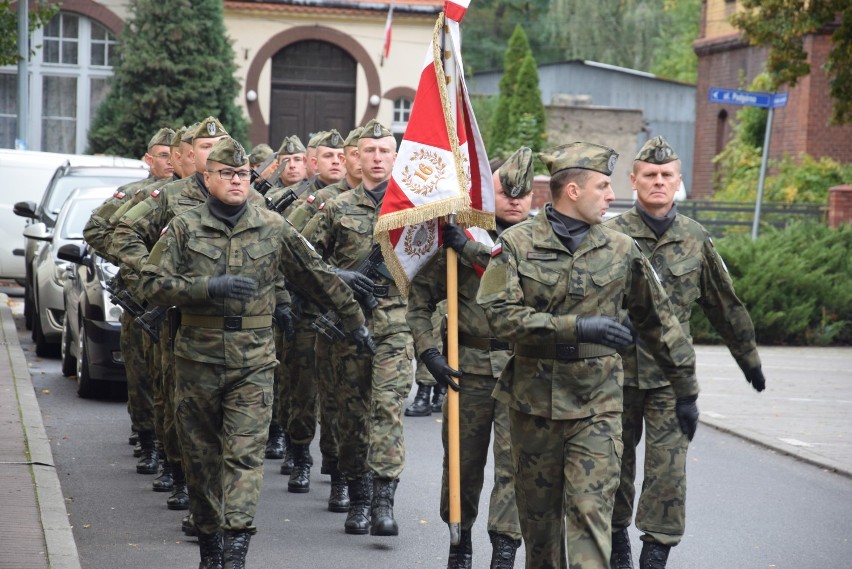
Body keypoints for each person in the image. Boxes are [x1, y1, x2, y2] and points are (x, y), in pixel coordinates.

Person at [139, 137, 374, 569]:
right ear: (207, 177)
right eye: (226, 174)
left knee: (244, 456)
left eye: (243, 174)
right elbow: (150, 284)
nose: (235, 181)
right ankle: (210, 545)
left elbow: (317, 276)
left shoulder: (273, 225)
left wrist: (356, 324)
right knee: (201, 457)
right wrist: (204, 288)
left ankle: (236, 550)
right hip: (196, 360)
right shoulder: (184, 227)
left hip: (254, 361)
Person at [476, 142, 700, 569]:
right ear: (573, 191)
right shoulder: (516, 244)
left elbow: (660, 323)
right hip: (532, 405)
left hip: (597, 406)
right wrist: (575, 327)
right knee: (540, 534)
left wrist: (686, 389)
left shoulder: (621, 249)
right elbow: (499, 318)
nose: (611, 195)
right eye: (602, 186)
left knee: (589, 517)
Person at [603, 136, 766, 569]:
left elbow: (724, 304)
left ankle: (655, 555)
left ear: (678, 182)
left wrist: (748, 358)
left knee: (668, 473)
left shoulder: (695, 238)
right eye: (650, 175)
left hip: (670, 380)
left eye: (666, 176)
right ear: (633, 180)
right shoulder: (609, 236)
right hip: (612, 376)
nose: (658, 182)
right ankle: (617, 544)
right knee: (612, 467)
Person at [407, 146, 536, 568]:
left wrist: (469, 250)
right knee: (462, 464)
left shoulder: (541, 244)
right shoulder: (455, 242)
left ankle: (503, 551)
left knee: (515, 466)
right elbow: (419, 303)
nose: (517, 199)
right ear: (484, 193)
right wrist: (428, 352)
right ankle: (459, 543)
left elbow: (519, 276)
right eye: (506, 191)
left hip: (524, 371)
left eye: (525, 192)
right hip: (470, 371)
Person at [112, 117, 230, 514]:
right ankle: (181, 474)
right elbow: (117, 231)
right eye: (205, 148)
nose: (213, 155)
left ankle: (220, 497)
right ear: (188, 154)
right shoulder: (167, 195)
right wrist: (150, 277)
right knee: (177, 399)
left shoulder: (246, 197)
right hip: (178, 318)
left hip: (230, 324)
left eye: (220, 146)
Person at [302, 119, 412, 537]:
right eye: (370, 151)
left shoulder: (414, 210)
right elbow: (304, 262)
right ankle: (359, 496)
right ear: (357, 158)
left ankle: (384, 501)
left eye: (385, 151)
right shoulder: (336, 207)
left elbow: (435, 273)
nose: (378, 158)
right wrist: (339, 277)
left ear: (396, 158)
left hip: (395, 327)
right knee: (350, 418)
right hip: (348, 328)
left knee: (386, 410)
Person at [82, 126, 175, 477]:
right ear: (148, 159)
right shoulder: (135, 194)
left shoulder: (194, 194)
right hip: (140, 298)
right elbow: (97, 230)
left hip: (176, 300)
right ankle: (148, 439)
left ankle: (169, 447)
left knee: (169, 377)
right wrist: (133, 260)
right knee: (141, 373)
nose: (169, 161)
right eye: (162, 155)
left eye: (173, 153)